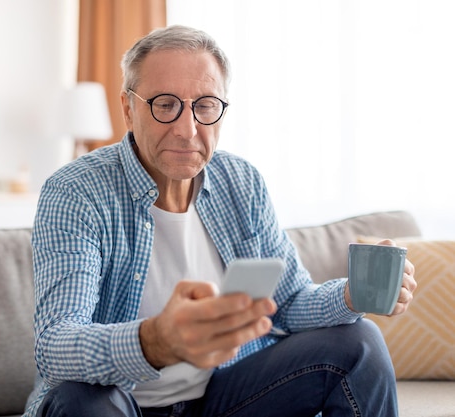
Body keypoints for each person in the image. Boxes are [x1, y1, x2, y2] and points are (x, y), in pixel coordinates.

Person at [23, 25, 416, 417]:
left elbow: (289, 303)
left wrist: (351, 296)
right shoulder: (76, 191)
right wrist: (157, 340)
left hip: (222, 398)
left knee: (360, 341)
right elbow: (56, 344)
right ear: (128, 108)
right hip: (119, 402)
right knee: (80, 401)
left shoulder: (241, 182)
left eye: (205, 105)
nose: (187, 129)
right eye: (164, 104)